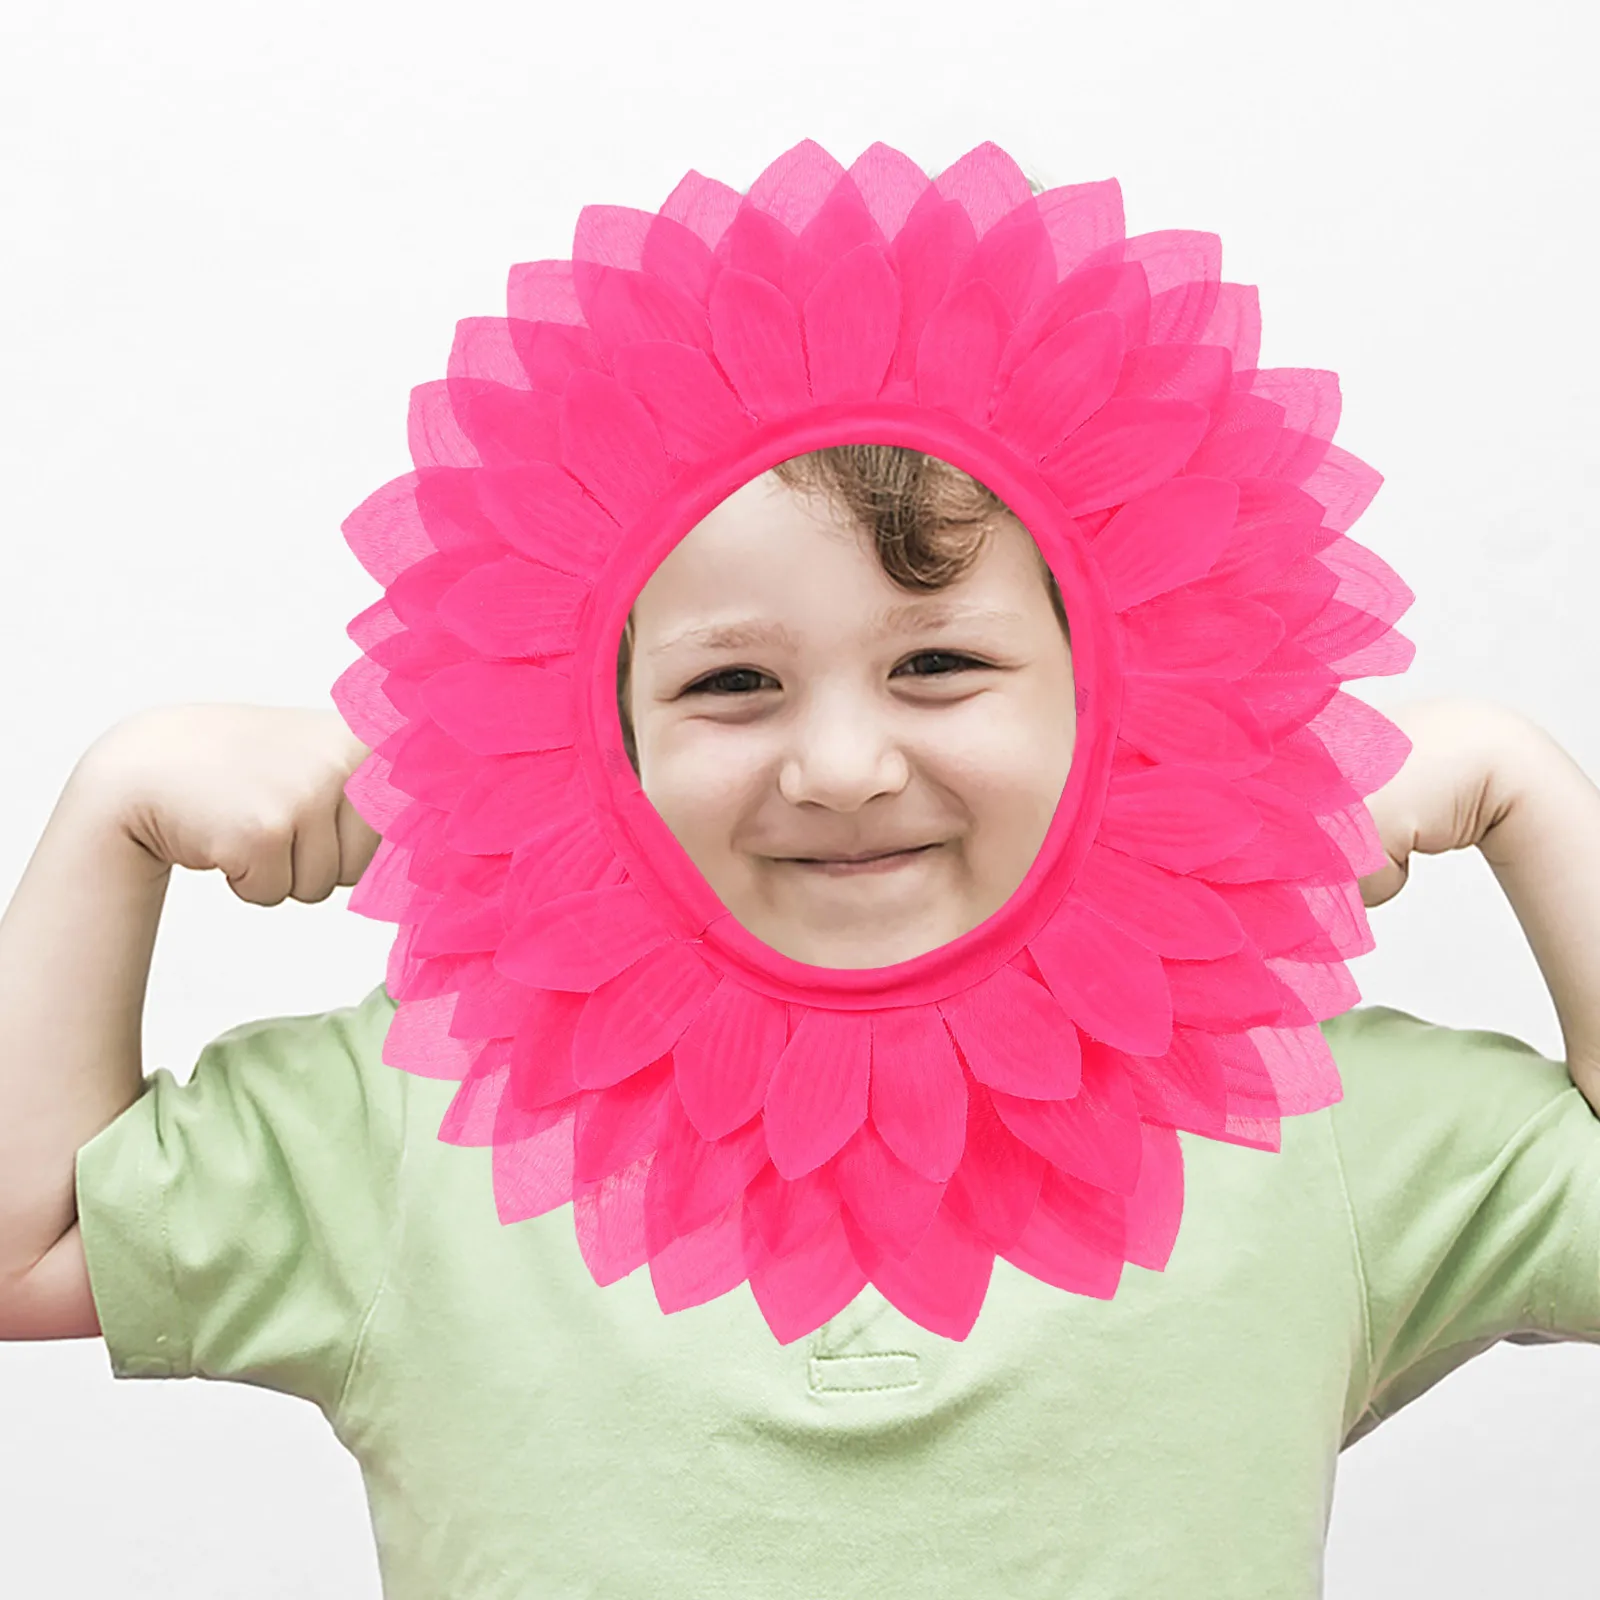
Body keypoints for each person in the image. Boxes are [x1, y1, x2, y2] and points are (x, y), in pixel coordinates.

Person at [2, 446, 1599, 1598]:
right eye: (732, 685)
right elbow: (27, 1253)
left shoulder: (1287, 1104)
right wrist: (111, 814)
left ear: (1118, 695)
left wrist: (1528, 793)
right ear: (600, 728)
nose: (840, 767)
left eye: (942, 662)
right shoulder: (435, 1111)